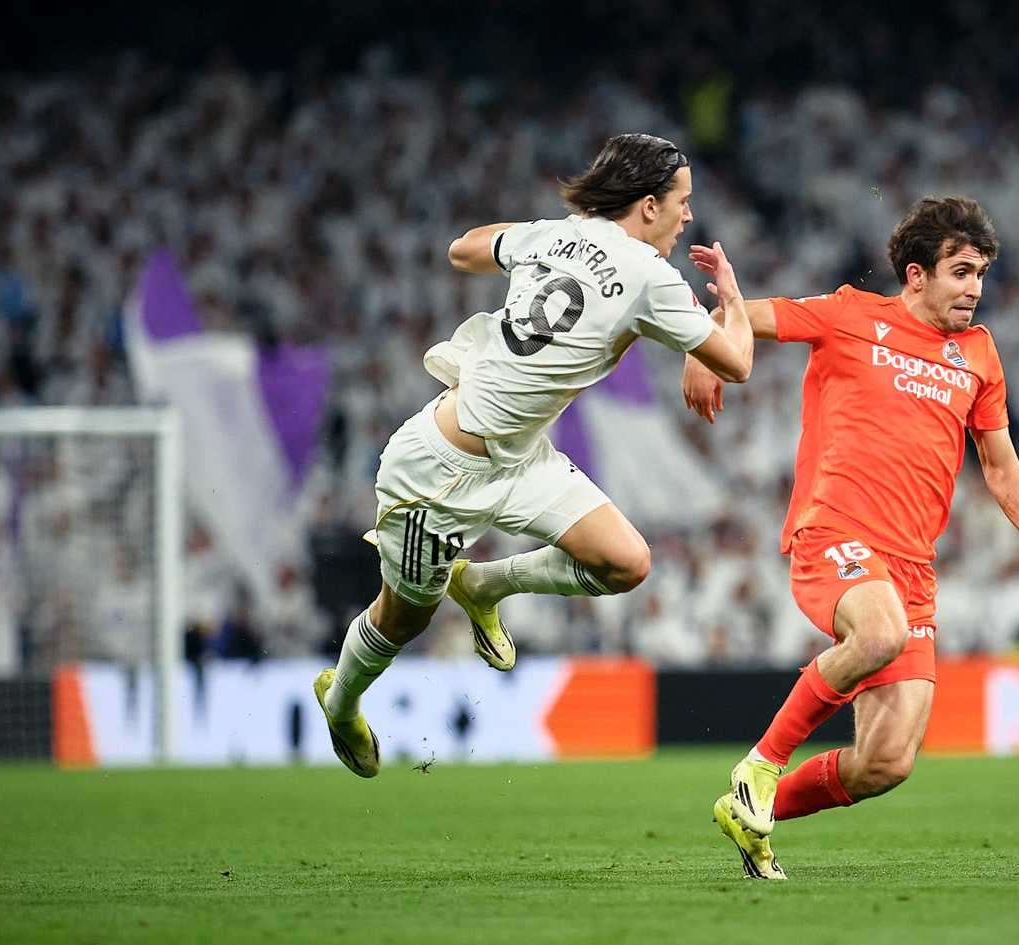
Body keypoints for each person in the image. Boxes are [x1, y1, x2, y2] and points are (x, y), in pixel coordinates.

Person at [313, 133, 757, 777]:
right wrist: (731, 301)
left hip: (520, 459)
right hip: (438, 474)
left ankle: (483, 583)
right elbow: (737, 361)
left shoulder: (554, 235)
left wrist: (534, 241)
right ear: (649, 206)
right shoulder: (648, 276)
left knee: (626, 563)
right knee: (402, 620)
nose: (689, 215)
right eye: (682, 201)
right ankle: (342, 702)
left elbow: (462, 250)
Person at [682, 196, 1019, 879]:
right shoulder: (850, 314)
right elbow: (747, 316)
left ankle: (756, 811)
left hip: (912, 566)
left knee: (886, 761)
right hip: (834, 532)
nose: (975, 289)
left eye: (981, 274)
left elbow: (1000, 465)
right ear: (916, 275)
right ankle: (760, 767)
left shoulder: (979, 354)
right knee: (878, 634)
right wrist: (705, 348)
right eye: (961, 272)